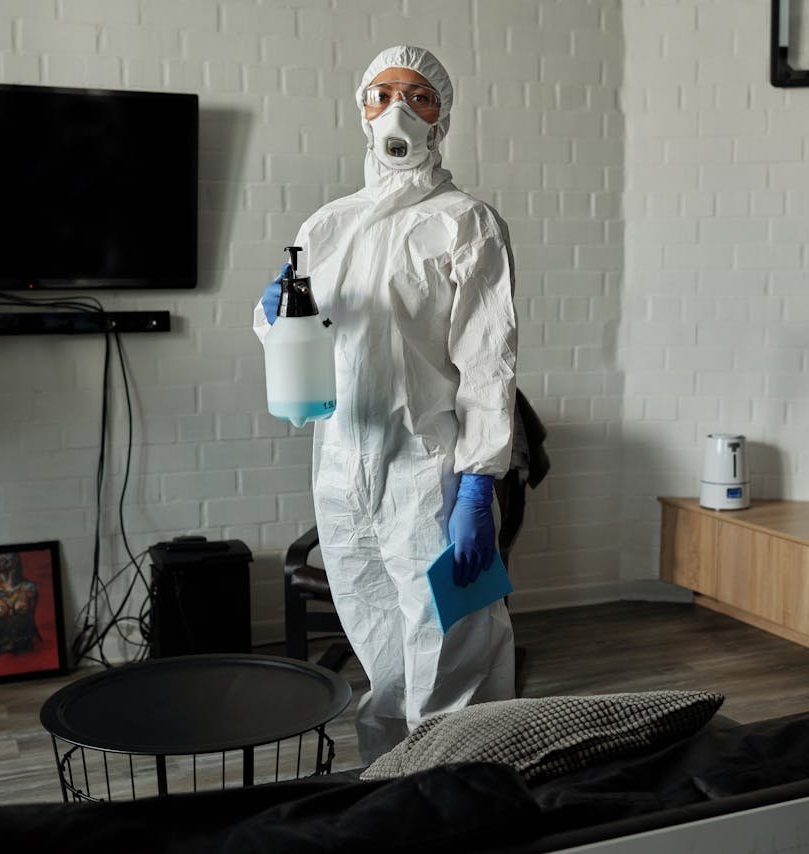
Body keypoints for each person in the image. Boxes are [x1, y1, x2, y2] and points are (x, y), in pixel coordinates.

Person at [253, 45, 517, 764]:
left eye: (419, 95)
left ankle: (459, 787)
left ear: (442, 116)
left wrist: (479, 484)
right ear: (362, 112)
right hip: (342, 469)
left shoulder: (467, 222)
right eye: (382, 94)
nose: (398, 108)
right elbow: (287, 333)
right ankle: (388, 786)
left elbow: (488, 363)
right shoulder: (325, 226)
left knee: (453, 644)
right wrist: (274, 311)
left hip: (428, 473)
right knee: (379, 646)